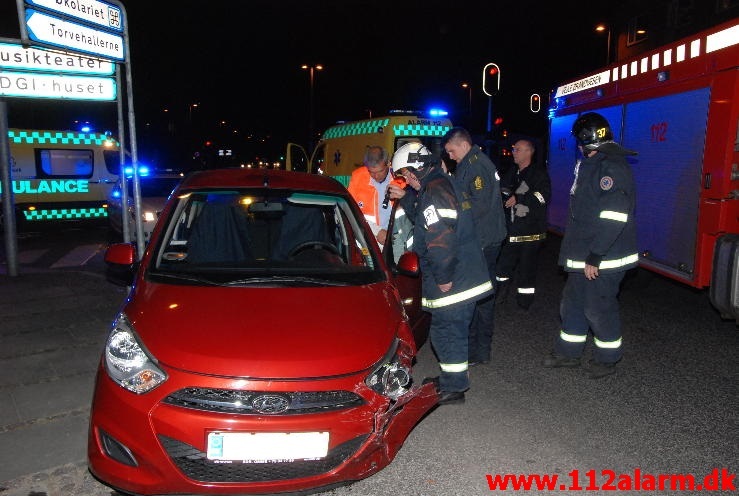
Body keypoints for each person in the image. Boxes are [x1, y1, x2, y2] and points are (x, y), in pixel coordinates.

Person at [387, 142, 493, 405]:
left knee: (449, 333)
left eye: (405, 175)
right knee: (446, 331)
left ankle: (455, 387)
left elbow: (440, 239)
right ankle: (450, 378)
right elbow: (426, 218)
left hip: (454, 279)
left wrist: (444, 278)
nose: (406, 180)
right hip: (463, 274)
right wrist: (408, 197)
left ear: (415, 171)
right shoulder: (437, 186)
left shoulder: (435, 191)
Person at [543, 112, 638, 379]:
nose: (578, 146)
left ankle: (607, 358)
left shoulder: (612, 167)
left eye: (579, 141)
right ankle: (568, 354)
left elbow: (614, 216)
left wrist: (596, 255)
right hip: (584, 253)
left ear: (587, 139)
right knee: (572, 304)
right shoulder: (592, 164)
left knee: (598, 307)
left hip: (604, 257)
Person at [442, 127, 507, 367]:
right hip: (482, 238)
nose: (450, 156)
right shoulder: (471, 162)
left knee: (480, 296)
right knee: (479, 295)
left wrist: (454, 226)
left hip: (483, 240)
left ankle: (480, 350)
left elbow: (478, 207)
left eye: (451, 150)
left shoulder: (477, 165)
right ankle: (477, 348)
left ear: (463, 145)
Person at [495, 138, 551, 310]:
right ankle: (498, 297)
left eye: (517, 149)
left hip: (530, 234)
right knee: (502, 267)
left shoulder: (538, 174)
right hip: (511, 231)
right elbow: (503, 189)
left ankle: (524, 303)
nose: (514, 152)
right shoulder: (513, 172)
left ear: (528, 152)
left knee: (526, 271)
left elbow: (543, 197)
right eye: (514, 149)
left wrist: (520, 198)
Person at [347, 145, 400, 247]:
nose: (376, 176)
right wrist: (377, 231)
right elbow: (351, 211)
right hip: (368, 239)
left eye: (380, 171)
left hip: (395, 239)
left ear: (388, 164)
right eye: (371, 172)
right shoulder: (358, 177)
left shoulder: (399, 178)